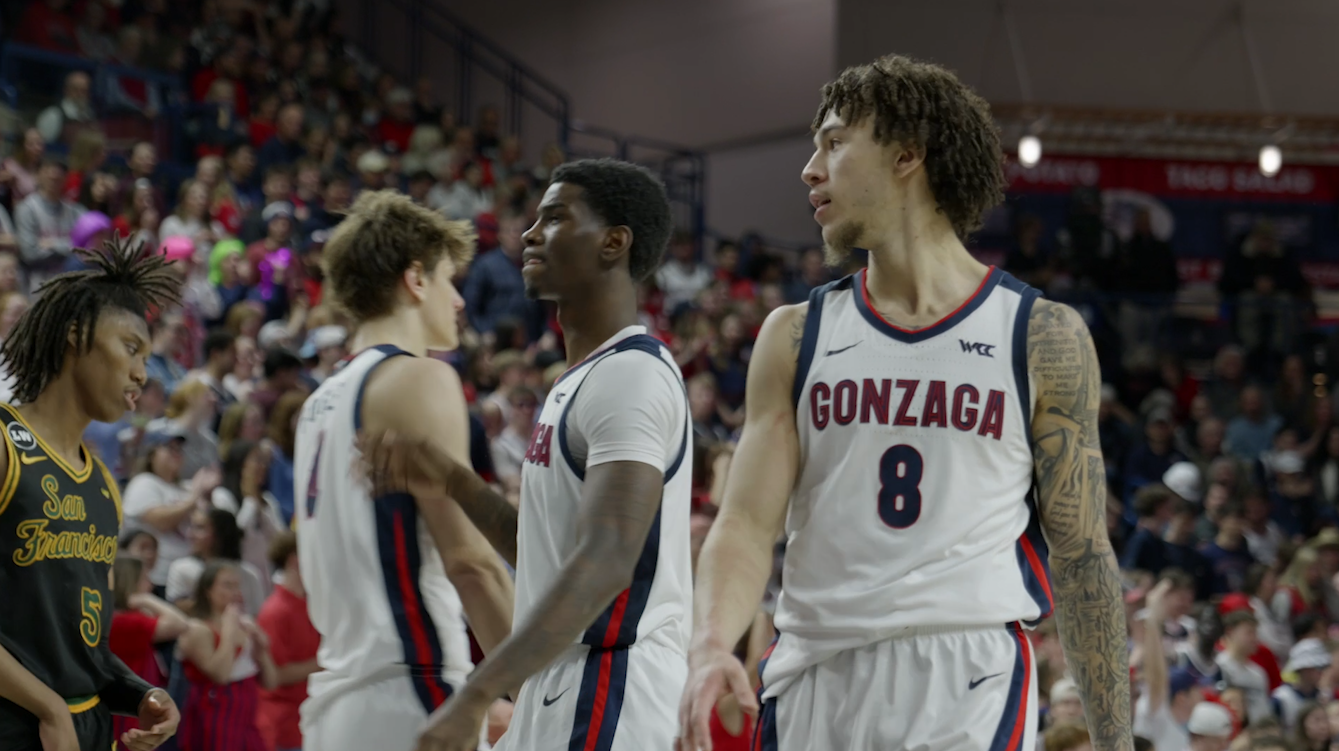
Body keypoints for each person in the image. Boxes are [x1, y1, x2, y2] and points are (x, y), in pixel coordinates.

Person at [675, 54, 1131, 751]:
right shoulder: (794, 335)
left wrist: (1116, 739)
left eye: (833, 142)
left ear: (906, 155)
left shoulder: (1040, 334)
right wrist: (710, 642)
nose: (810, 169)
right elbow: (743, 523)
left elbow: (1081, 555)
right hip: (813, 670)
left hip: (964, 673)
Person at [359, 159, 690, 751]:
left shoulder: (631, 376)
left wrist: (477, 693)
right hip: (564, 682)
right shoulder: (580, 379)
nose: (530, 233)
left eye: (555, 218)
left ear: (614, 243)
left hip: (612, 687)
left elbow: (607, 560)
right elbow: (547, 553)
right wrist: (453, 479)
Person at [293, 190, 515, 751]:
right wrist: (547, 685)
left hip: (335, 703)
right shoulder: (420, 377)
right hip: (411, 688)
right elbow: (470, 563)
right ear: (415, 280)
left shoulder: (315, 405)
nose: (458, 301)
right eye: (448, 280)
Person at [0, 237, 181, 751]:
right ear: (76, 335)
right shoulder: (6, 444)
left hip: (86, 730)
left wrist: (140, 693)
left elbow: (86, 647)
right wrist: (48, 706)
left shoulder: (102, 484)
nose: (142, 373)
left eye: (148, 358)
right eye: (131, 348)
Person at [175, 561, 278, 751]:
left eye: (236, 585)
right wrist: (229, 631)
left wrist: (262, 649)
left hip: (247, 713)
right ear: (207, 590)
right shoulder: (197, 629)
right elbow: (220, 675)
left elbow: (271, 682)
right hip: (214, 713)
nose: (235, 592)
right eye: (227, 585)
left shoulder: (245, 624)